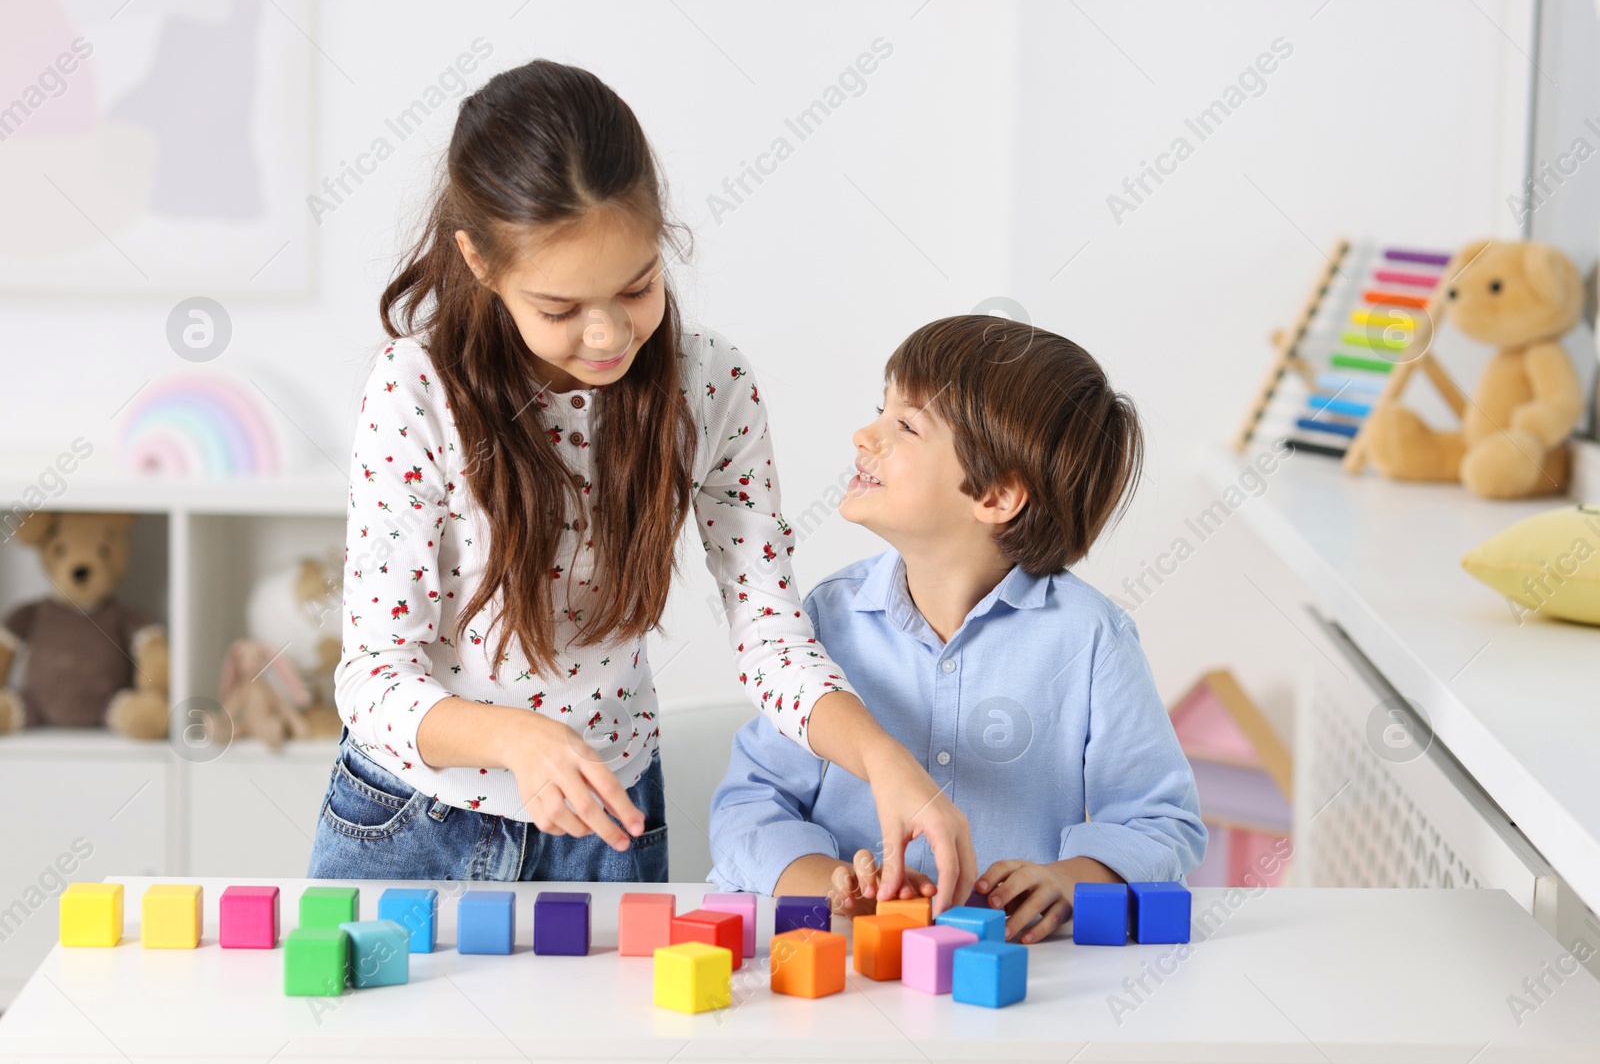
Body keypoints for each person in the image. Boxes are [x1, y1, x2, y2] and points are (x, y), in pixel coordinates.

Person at [307, 59, 975, 904]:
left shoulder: (712, 386)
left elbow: (771, 634)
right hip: (412, 823)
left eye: (638, 285)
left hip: (608, 835)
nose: (608, 333)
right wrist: (516, 740)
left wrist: (882, 756)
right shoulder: (417, 389)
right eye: (559, 308)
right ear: (478, 260)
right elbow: (373, 676)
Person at [707, 315, 1206, 942]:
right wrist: (829, 883)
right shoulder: (825, 623)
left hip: (1013, 985)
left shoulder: (1091, 640)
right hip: (847, 973)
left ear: (995, 495)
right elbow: (748, 810)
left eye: (906, 425)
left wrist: (1070, 879)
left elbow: (1162, 823)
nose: (865, 434)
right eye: (879, 411)